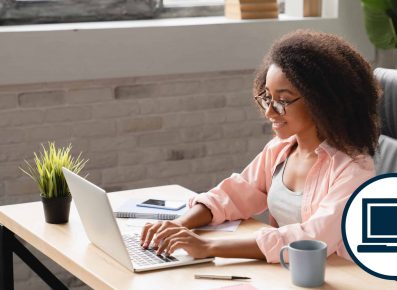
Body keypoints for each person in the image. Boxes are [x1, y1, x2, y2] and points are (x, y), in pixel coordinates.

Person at [140, 30, 381, 263]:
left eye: (283, 101)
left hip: (340, 279)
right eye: (267, 97)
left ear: (321, 101)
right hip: (289, 275)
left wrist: (207, 247)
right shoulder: (281, 149)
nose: (269, 111)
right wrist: (180, 224)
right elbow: (235, 194)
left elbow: (311, 239)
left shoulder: (355, 169)